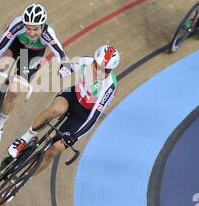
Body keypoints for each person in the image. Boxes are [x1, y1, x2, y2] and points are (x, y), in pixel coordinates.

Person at [7, 45, 120, 175]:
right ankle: (23, 139)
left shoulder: (109, 87)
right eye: (97, 67)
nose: (99, 72)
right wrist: (63, 69)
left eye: (105, 70)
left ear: (110, 71)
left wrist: (74, 136)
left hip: (84, 114)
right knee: (55, 110)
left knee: (54, 150)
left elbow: (93, 118)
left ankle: (20, 180)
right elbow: (69, 65)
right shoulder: (86, 61)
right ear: (93, 61)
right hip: (73, 95)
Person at [0, 3, 71, 148]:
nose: (31, 33)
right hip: (15, 45)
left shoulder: (48, 34)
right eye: (28, 28)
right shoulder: (17, 25)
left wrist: (65, 68)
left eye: (35, 29)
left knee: (14, 92)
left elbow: (62, 55)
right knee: (1, 65)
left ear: (42, 26)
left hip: (29, 56)